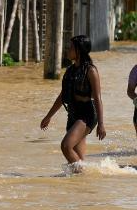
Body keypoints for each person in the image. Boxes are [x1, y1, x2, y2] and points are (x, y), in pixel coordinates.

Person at [40, 35, 106, 165]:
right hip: (72, 114)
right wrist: (48, 116)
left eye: (71, 47)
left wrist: (101, 124)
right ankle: (84, 176)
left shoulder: (91, 71)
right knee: (78, 159)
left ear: (79, 50)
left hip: (86, 115)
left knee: (66, 146)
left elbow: (98, 98)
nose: (68, 50)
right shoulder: (70, 71)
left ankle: (82, 172)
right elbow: (62, 96)